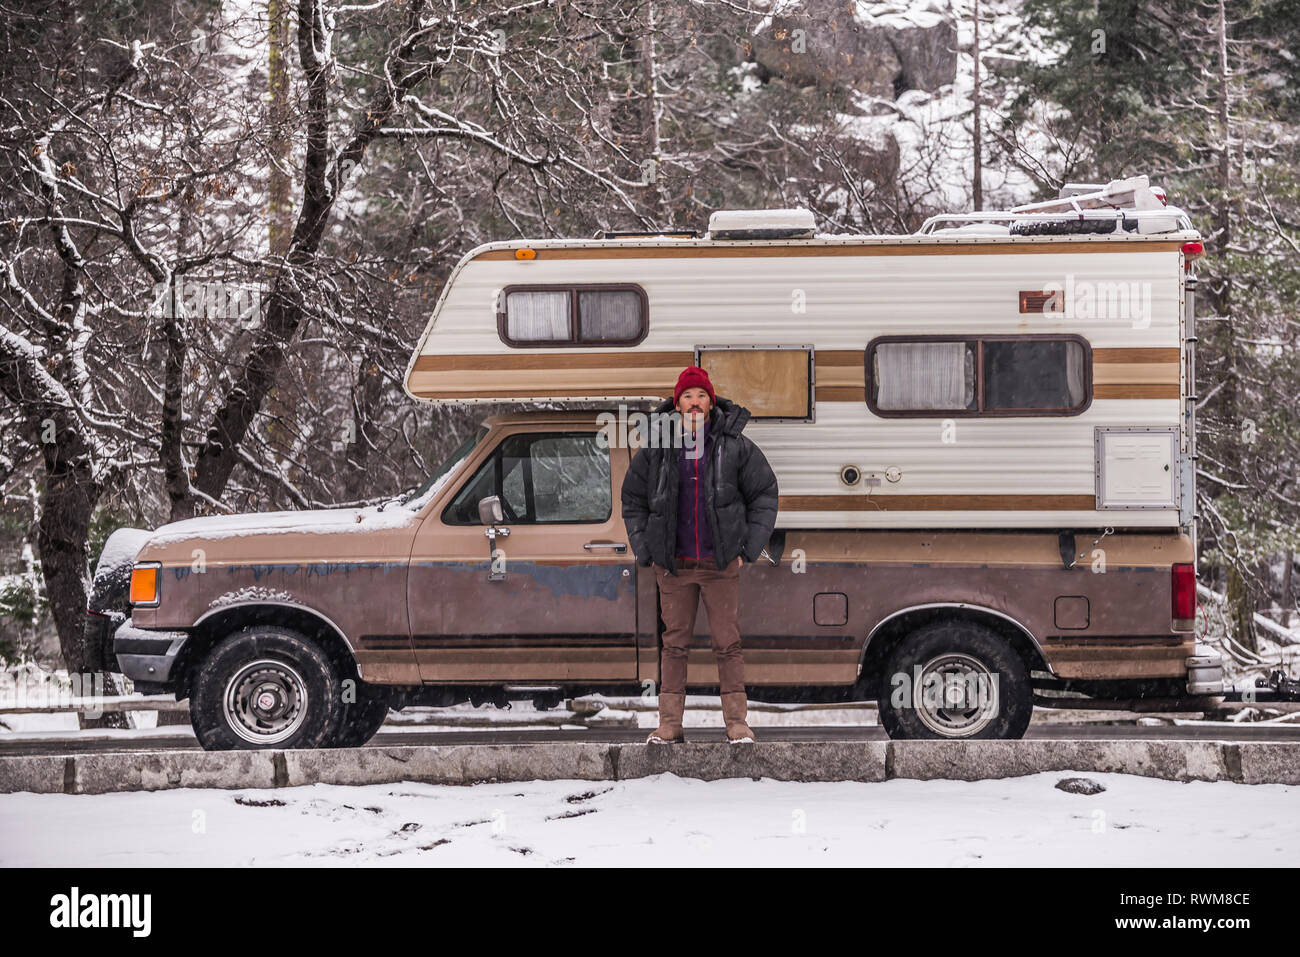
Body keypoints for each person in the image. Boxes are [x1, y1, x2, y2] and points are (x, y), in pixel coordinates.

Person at [620, 365, 779, 744]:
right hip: (673, 568)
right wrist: (648, 551)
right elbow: (633, 500)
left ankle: (737, 724)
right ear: (677, 405)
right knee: (674, 645)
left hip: (719, 565)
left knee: (728, 644)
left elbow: (765, 494)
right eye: (688, 396)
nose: (694, 403)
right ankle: (669, 725)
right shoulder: (657, 449)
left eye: (701, 396)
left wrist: (747, 549)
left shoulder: (734, 445)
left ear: (710, 403)